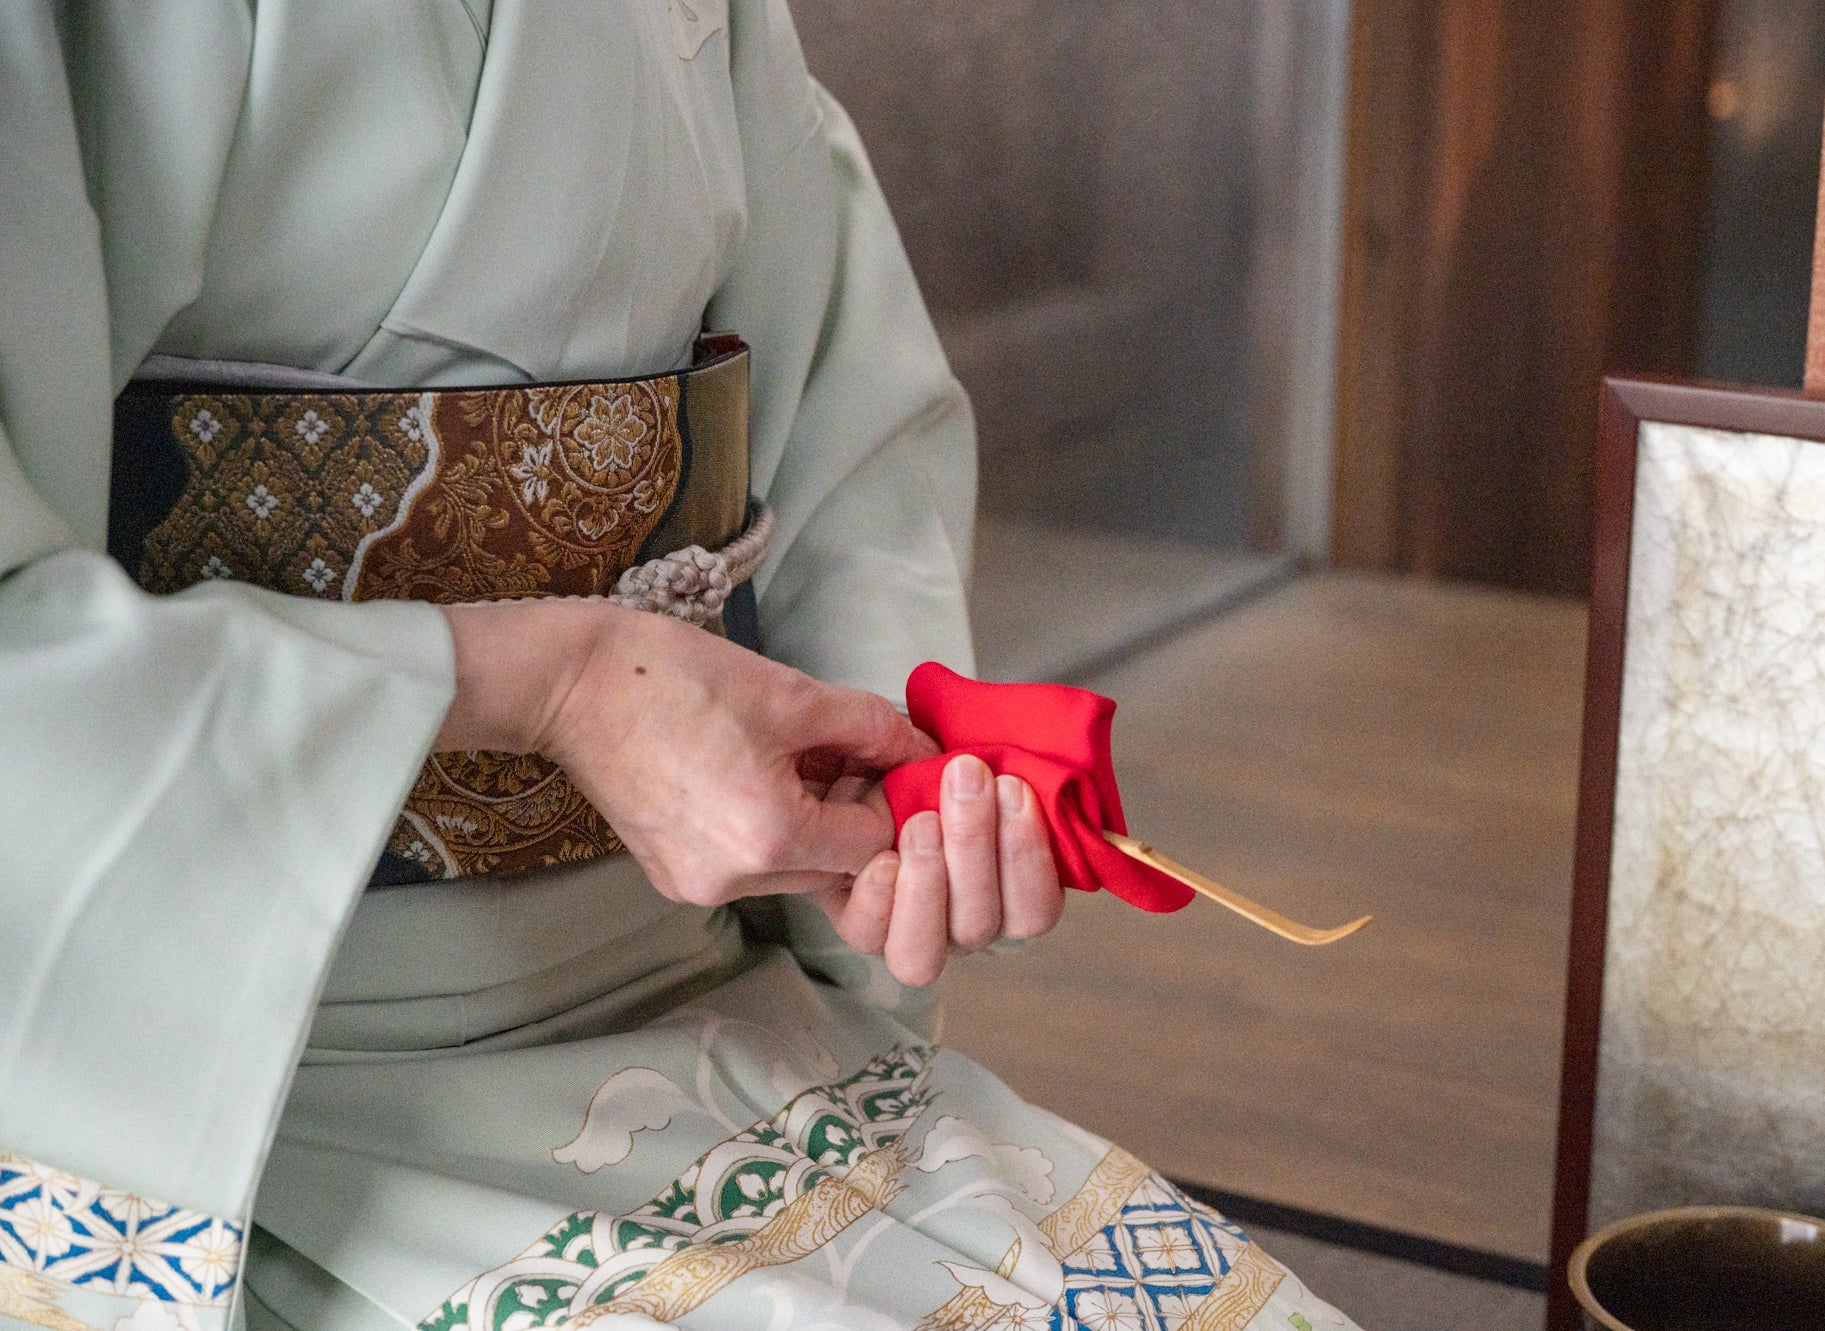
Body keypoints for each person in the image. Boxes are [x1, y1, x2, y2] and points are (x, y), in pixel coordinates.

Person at [0, 5, 1359, 1329]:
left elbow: (848, 431)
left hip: (691, 993)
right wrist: (551, 684)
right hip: (214, 1074)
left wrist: (881, 811)